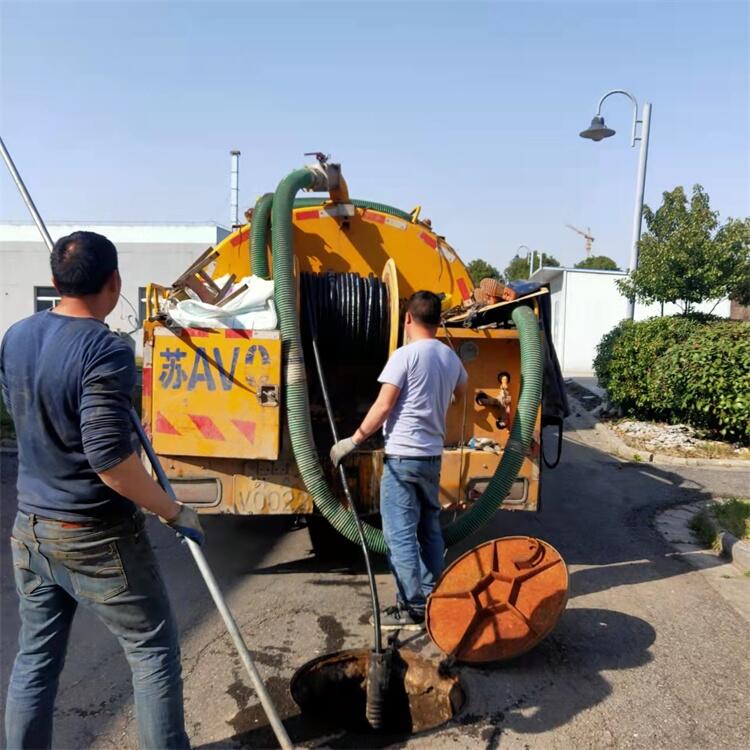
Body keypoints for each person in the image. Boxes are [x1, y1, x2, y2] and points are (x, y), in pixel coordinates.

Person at [0, 231, 204, 750]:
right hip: (94, 536)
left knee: (35, 659)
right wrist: (172, 509)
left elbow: (24, 409)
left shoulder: (16, 336)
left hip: (31, 530)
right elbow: (111, 460)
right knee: (153, 649)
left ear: (53, 282)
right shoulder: (106, 350)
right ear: (114, 282)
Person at [330, 290, 467, 630]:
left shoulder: (403, 356)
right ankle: (434, 597)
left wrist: (353, 440)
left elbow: (383, 405)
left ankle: (413, 607)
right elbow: (462, 392)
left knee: (400, 536)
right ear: (438, 321)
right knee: (429, 530)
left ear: (408, 319)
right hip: (432, 458)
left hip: (403, 457)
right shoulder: (450, 358)